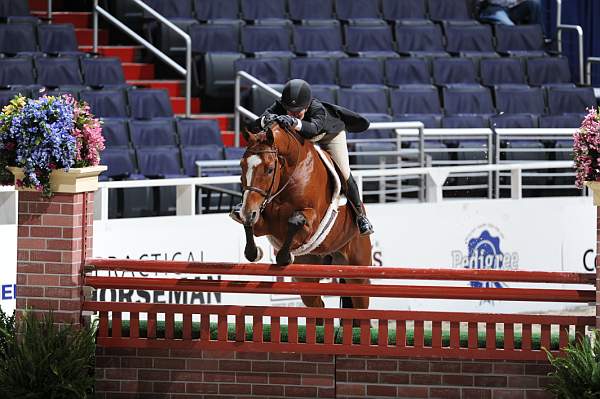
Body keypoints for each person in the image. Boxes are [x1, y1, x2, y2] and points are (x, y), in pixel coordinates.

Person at [239, 78, 374, 236]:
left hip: (328, 136)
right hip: (302, 139)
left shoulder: (317, 108)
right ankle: (247, 203)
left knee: (344, 172)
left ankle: (361, 216)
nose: (294, 113)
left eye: (298, 111)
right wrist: (263, 120)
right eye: (290, 110)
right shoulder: (280, 105)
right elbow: (252, 127)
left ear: (307, 105)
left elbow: (312, 129)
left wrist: (293, 121)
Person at [477, 0, 542, 26]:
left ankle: (535, 34)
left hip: (512, 9)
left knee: (535, 3)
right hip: (494, 9)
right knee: (510, 27)